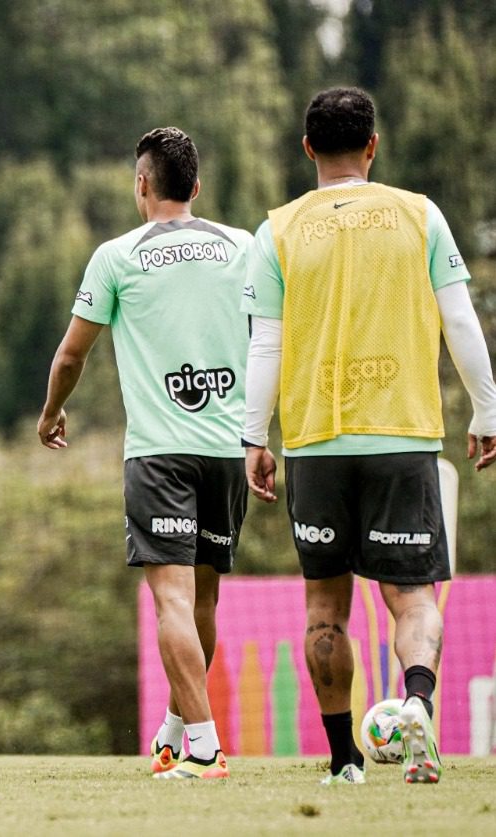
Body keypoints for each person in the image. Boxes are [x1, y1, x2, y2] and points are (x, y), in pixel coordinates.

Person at [242, 87, 496, 786]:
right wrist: (487, 411)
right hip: (402, 433)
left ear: (307, 149)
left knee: (325, 609)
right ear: (373, 146)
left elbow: (266, 346)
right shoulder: (420, 214)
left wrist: (252, 437)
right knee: (411, 598)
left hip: (317, 443)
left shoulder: (279, 230)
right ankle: (415, 703)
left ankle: (345, 758)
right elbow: (462, 324)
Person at [37, 128, 251, 781]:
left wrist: (51, 412)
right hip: (228, 450)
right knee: (203, 602)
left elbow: (73, 352)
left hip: (159, 453)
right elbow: (274, 336)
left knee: (172, 604)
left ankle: (206, 750)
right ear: (197, 185)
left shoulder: (117, 255)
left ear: (142, 185)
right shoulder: (244, 246)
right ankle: (172, 732)